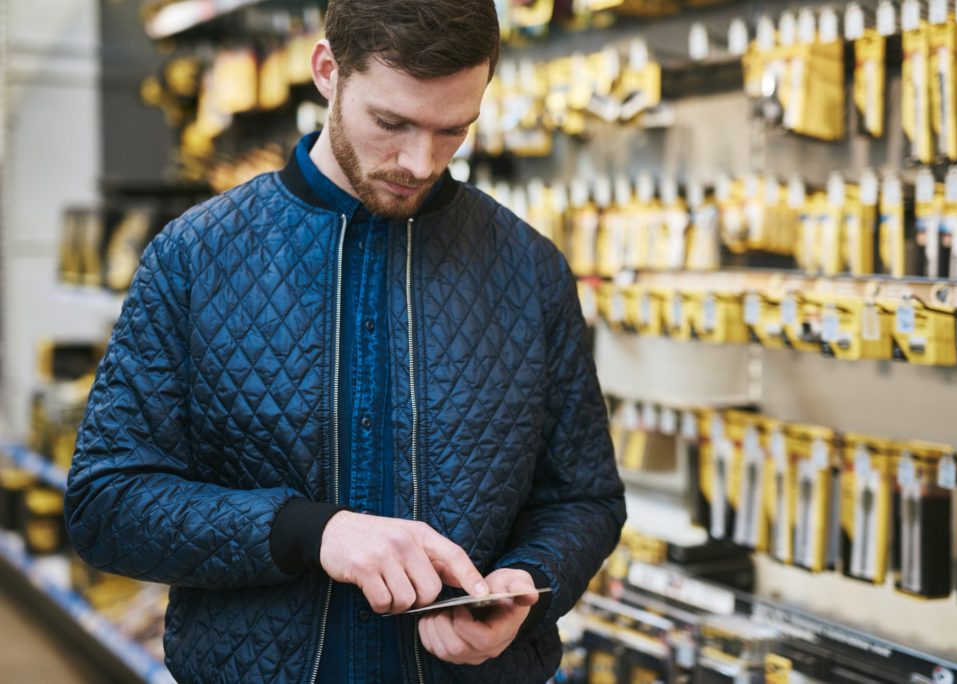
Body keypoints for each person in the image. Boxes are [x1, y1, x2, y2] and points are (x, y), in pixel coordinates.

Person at [64, 0, 625, 681]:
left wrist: (528, 586)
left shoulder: (529, 270)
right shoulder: (194, 258)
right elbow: (107, 502)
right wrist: (314, 532)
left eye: (453, 130)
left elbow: (584, 499)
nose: (419, 162)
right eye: (391, 123)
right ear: (327, 70)